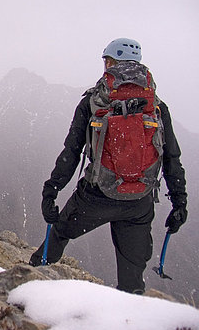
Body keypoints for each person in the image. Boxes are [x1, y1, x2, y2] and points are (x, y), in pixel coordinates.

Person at [29, 38, 188, 294]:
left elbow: (71, 152)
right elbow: (171, 158)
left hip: (96, 197)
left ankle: (30, 280)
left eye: (106, 60)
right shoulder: (157, 107)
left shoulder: (93, 102)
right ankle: (129, 318)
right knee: (132, 279)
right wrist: (180, 202)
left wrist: (51, 191)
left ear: (111, 62)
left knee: (59, 234)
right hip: (139, 202)